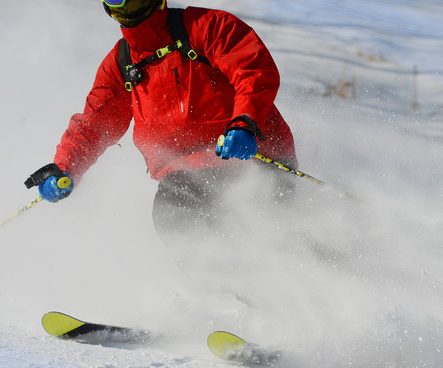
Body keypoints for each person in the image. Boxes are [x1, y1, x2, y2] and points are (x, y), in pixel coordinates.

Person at [25, 0, 297, 244]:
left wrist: (245, 122)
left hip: (254, 155)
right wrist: (65, 167)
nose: (124, 5)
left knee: (263, 221)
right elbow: (94, 125)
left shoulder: (205, 27)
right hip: (186, 173)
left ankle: (305, 264)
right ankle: (215, 289)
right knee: (173, 216)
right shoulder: (122, 64)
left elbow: (253, 71)